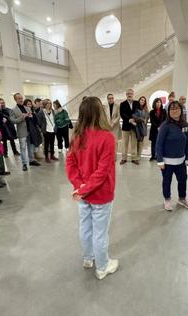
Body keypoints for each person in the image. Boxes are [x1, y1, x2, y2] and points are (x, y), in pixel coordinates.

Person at [65, 96, 119, 280]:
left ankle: (88, 258)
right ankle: (102, 266)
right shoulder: (107, 137)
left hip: (82, 194)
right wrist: (84, 188)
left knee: (85, 228)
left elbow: (70, 164)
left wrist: (80, 187)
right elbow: (102, 172)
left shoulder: (77, 136)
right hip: (100, 194)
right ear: (100, 112)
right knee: (100, 233)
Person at [156, 101, 188, 212]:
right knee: (167, 181)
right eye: (172, 109)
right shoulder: (165, 126)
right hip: (167, 162)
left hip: (181, 161)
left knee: (183, 180)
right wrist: (160, 160)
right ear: (168, 111)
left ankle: (182, 198)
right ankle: (167, 199)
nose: (174, 110)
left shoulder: (185, 125)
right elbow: (159, 143)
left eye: (177, 108)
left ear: (181, 110)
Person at [10, 93, 40, 171]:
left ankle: (32, 160)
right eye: (19, 98)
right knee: (23, 148)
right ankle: (24, 164)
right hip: (22, 131)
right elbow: (13, 121)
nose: (21, 99)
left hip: (30, 130)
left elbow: (32, 119)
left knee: (31, 146)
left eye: (21, 98)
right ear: (15, 99)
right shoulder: (13, 110)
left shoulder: (27, 108)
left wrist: (31, 116)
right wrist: (22, 117)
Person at [119, 88, 140, 165]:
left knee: (134, 143)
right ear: (126, 95)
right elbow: (122, 114)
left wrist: (134, 120)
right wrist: (129, 120)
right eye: (128, 93)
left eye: (130, 93)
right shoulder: (122, 104)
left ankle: (134, 158)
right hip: (126, 127)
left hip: (134, 126)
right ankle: (124, 158)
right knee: (124, 143)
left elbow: (139, 113)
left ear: (133, 94)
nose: (129, 95)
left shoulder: (137, 103)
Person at [37, 99, 58, 163]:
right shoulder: (41, 111)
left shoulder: (53, 111)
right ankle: (46, 157)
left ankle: (52, 155)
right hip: (46, 130)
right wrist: (41, 128)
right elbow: (39, 121)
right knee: (46, 144)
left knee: (52, 143)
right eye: (47, 103)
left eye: (50, 103)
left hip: (53, 129)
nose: (49, 104)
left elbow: (55, 119)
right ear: (44, 104)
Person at [132, 96, 149, 164]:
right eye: (141, 100)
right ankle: (134, 157)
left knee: (140, 143)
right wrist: (141, 119)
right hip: (136, 127)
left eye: (144, 100)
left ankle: (138, 157)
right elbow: (133, 116)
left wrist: (142, 120)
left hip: (143, 127)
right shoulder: (135, 108)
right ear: (139, 100)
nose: (142, 101)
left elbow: (146, 119)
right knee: (135, 143)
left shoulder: (146, 109)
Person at [104, 93, 121, 159]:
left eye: (112, 98)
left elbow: (119, 116)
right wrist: (108, 124)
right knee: (108, 142)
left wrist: (113, 123)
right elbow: (104, 116)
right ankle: (108, 156)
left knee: (115, 142)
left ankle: (114, 157)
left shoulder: (117, 106)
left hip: (115, 127)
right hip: (107, 127)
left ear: (113, 99)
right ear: (107, 99)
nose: (111, 99)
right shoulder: (105, 107)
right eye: (109, 98)